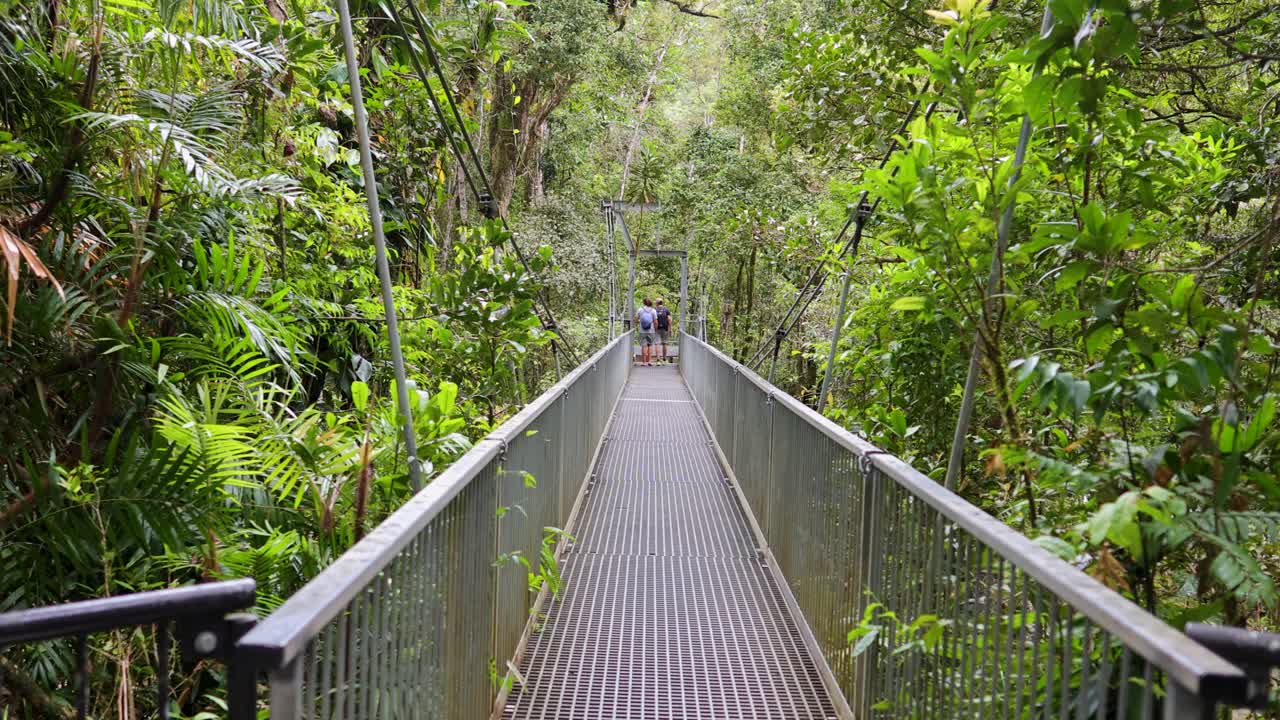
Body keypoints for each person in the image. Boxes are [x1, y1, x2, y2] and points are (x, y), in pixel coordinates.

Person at [635, 298, 657, 366]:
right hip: (651, 330)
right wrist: (655, 329)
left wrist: (638, 323)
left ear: (644, 303)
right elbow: (655, 321)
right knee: (650, 345)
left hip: (642, 330)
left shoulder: (640, 310)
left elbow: (636, 319)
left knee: (644, 346)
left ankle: (644, 362)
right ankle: (650, 361)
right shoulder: (653, 310)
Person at [654, 299, 674, 364]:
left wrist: (654, 328)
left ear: (657, 303)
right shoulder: (666, 310)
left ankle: (658, 360)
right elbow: (670, 320)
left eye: (655, 302)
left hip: (657, 329)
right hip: (665, 328)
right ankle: (664, 359)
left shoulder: (655, 310)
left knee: (657, 344)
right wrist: (670, 329)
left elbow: (654, 320)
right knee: (665, 343)